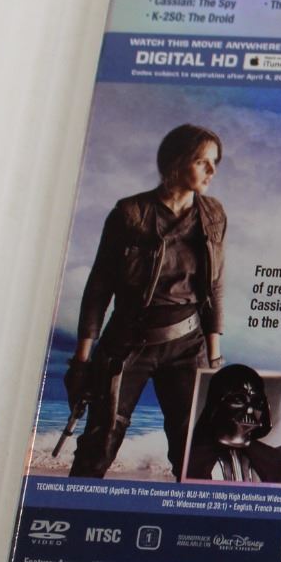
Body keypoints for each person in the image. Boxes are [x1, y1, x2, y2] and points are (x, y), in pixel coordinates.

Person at [66, 123, 227, 479]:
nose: (212, 171)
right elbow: (98, 289)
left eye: (214, 162)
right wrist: (81, 362)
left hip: (188, 344)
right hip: (127, 343)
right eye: (202, 162)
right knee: (98, 445)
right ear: (177, 161)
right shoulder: (130, 214)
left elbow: (215, 286)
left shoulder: (213, 214)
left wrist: (214, 359)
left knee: (194, 453)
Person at [181, 364, 281, 483]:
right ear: (216, 403)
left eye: (256, 401)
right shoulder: (191, 459)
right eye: (238, 399)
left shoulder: (274, 461)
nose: (250, 410)